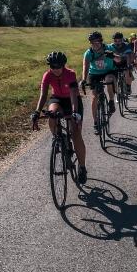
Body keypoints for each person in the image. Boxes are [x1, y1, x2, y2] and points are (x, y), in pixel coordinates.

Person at [31, 51, 87, 184]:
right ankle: (57, 137)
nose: (55, 70)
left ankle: (82, 167)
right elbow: (43, 95)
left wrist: (74, 112)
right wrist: (37, 111)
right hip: (57, 99)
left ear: (63, 65)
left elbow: (74, 93)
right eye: (53, 67)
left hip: (72, 100)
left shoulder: (70, 74)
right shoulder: (47, 75)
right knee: (52, 114)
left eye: (58, 67)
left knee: (76, 133)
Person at [81, 31, 121, 131]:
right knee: (94, 97)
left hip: (109, 71)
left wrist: (112, 56)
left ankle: (111, 100)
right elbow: (85, 67)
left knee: (109, 79)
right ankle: (95, 122)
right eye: (93, 42)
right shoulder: (89, 53)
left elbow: (119, 60)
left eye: (97, 42)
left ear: (101, 41)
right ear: (90, 43)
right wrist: (83, 80)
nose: (95, 44)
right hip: (94, 74)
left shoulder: (109, 48)